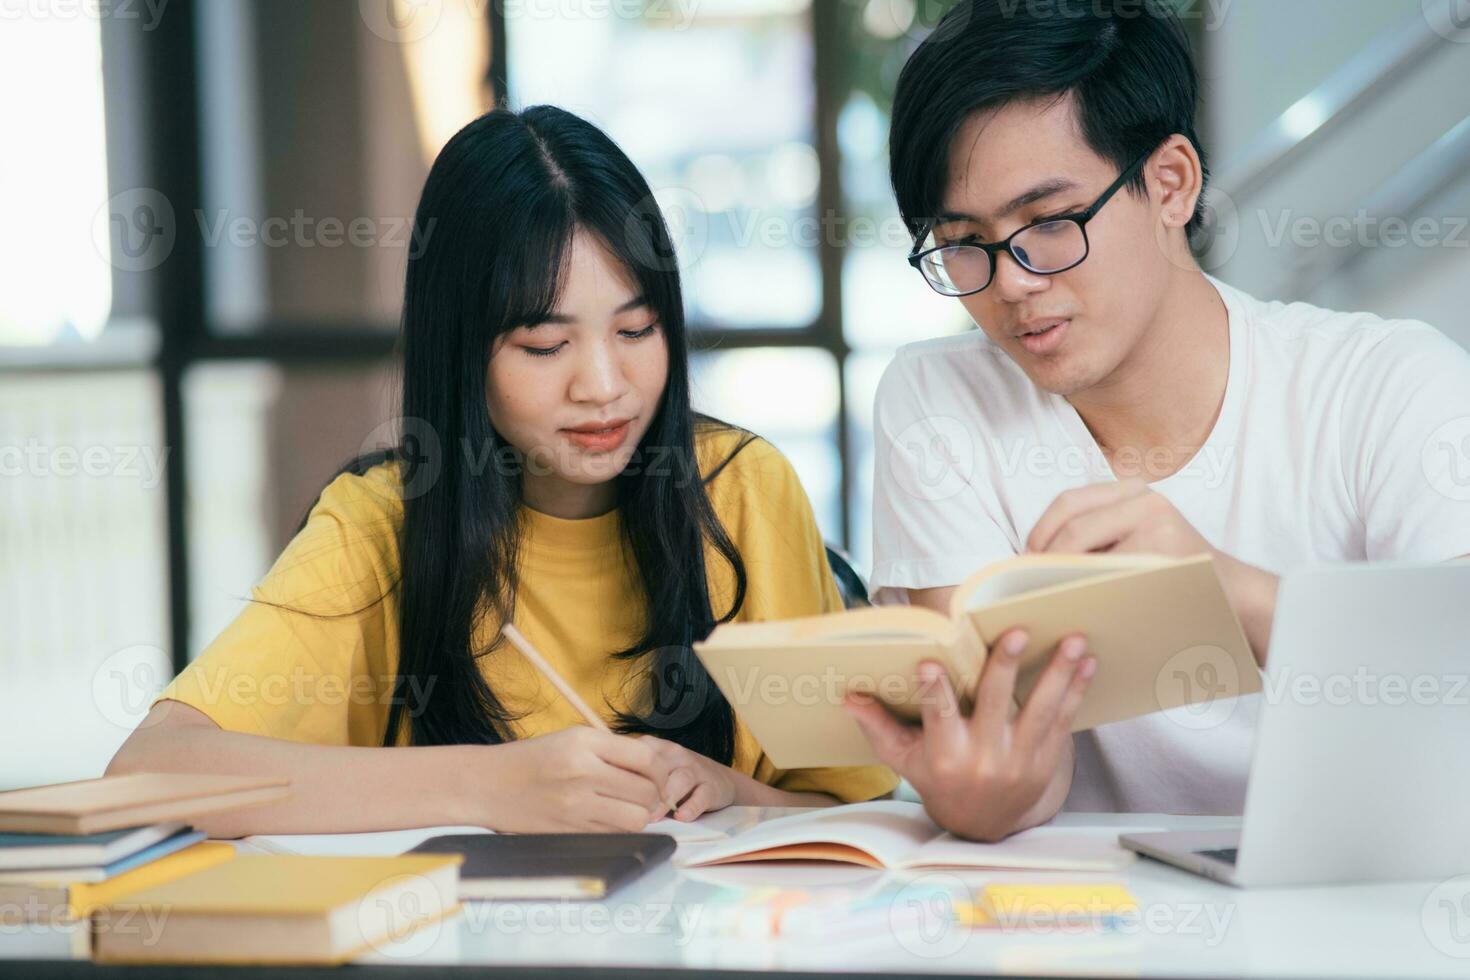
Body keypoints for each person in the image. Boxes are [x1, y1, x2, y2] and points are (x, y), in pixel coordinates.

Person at [107, 106, 897, 838]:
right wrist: (490, 786)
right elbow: (151, 770)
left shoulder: (744, 490)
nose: (603, 384)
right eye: (546, 346)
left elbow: (854, 808)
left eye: (637, 329)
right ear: (463, 351)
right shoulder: (384, 521)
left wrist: (729, 791)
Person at [844, 0, 1470, 841]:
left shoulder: (1387, 384)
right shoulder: (944, 402)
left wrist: (1222, 586)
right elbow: (1018, 771)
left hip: (1374, 891)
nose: (1012, 283)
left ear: (1171, 182)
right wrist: (983, 794)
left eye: (1048, 223)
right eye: (964, 242)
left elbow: (1450, 688)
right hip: (1102, 928)